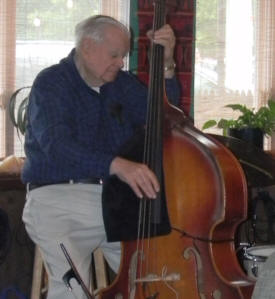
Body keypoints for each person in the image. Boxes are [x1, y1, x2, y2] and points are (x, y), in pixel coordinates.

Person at [22, 15, 180, 299]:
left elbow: (165, 121)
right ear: (86, 47)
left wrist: (166, 65)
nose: (121, 62)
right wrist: (117, 165)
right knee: (74, 288)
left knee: (156, 279)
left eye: (123, 55)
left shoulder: (121, 84)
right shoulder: (51, 83)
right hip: (58, 200)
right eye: (115, 54)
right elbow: (57, 146)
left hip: (114, 200)